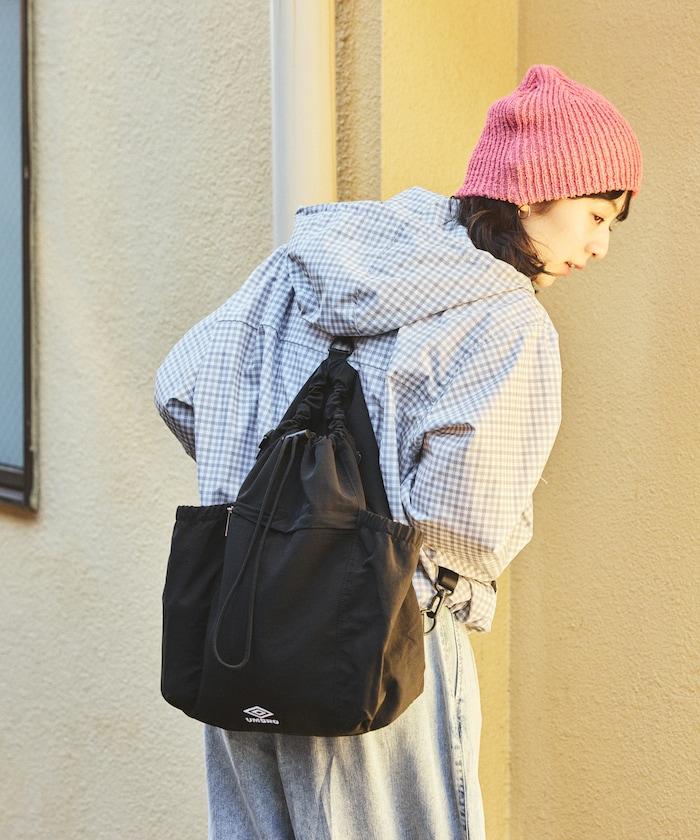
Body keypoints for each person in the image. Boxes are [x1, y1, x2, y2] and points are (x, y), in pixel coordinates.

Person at [154, 64, 642, 839]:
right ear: (531, 192)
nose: (600, 244)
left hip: (239, 622)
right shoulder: (506, 322)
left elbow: (181, 386)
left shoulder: (303, 265)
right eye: (595, 214)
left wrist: (278, 508)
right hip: (378, 635)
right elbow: (468, 524)